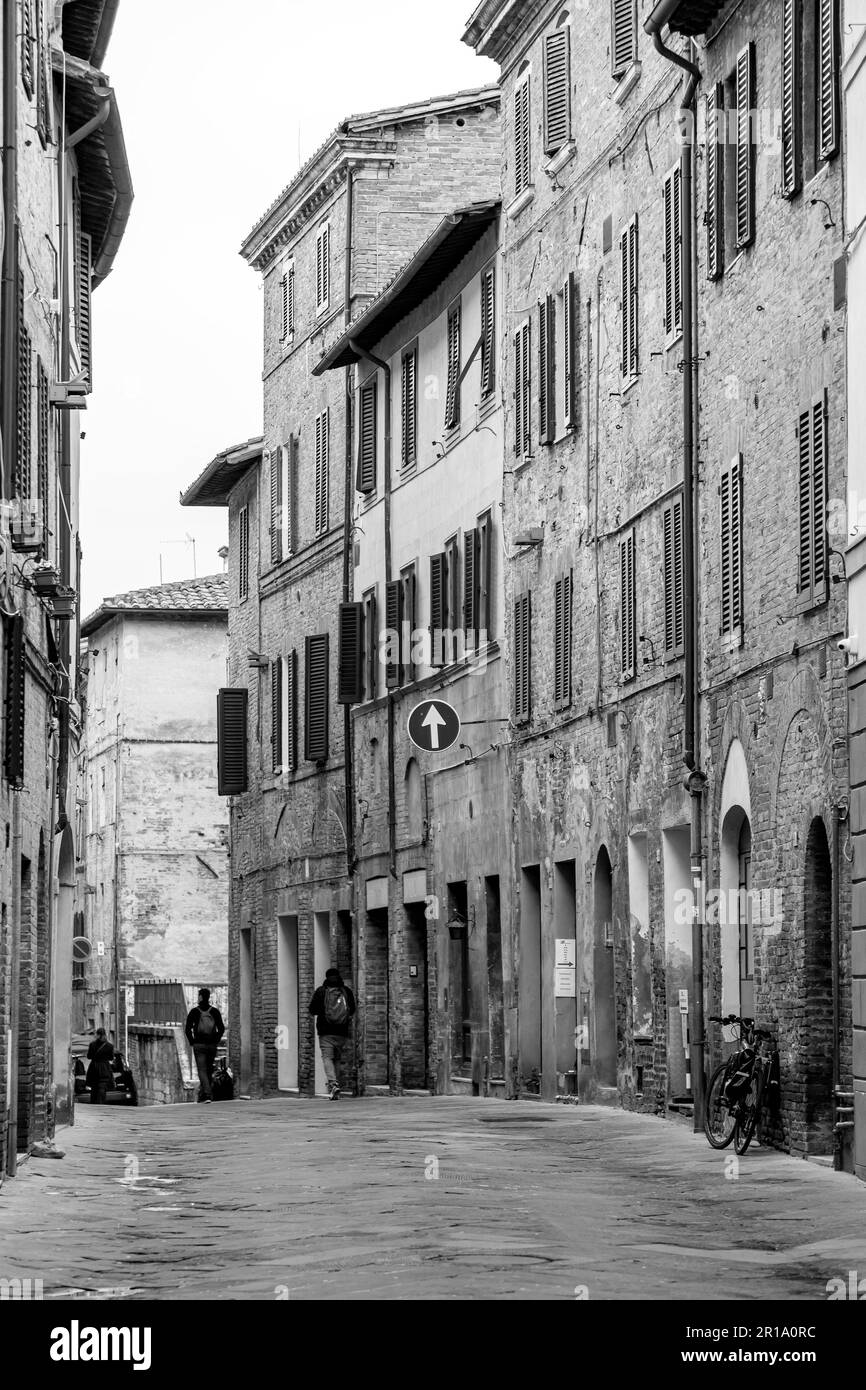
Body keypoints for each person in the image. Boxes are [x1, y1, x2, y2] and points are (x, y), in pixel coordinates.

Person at [308, 968, 356, 1100]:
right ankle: (336, 1085)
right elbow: (352, 1010)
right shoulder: (346, 991)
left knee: (327, 1057)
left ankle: (333, 1083)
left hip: (325, 1031)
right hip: (342, 1031)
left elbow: (312, 1010)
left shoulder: (321, 991)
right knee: (337, 1058)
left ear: (327, 977)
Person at [184, 988, 225, 1103]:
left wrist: (192, 1041)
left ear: (201, 997)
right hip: (212, 1045)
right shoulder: (215, 1012)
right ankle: (203, 1094)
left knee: (202, 1070)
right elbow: (221, 1029)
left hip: (199, 1045)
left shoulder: (194, 1012)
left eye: (199, 996)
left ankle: (207, 1095)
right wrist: (215, 1040)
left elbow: (187, 1029)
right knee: (208, 1069)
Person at [85, 1028, 114, 1105]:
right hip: (104, 1068)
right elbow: (111, 1058)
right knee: (102, 1088)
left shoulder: (92, 1045)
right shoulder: (110, 1046)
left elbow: (89, 1056)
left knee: (94, 1088)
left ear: (98, 1035)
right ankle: (101, 1103)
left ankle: (94, 1103)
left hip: (94, 1068)